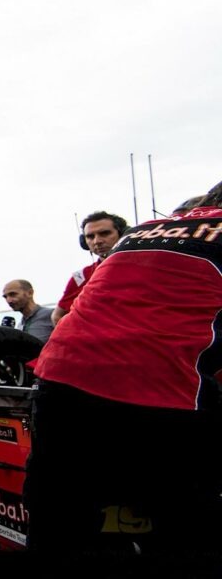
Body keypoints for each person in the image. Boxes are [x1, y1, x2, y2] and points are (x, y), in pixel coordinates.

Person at [25, 181, 222, 550]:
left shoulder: (142, 231)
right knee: (183, 522)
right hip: (160, 391)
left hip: (61, 378)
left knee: (58, 516)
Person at [51, 211, 127, 326]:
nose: (97, 241)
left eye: (105, 233)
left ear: (123, 235)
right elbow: (57, 316)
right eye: (90, 237)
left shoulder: (144, 267)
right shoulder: (81, 276)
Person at [1, 279, 54, 345]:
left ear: (30, 293)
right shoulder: (20, 325)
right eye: (5, 297)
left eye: (13, 294)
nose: (9, 300)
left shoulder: (52, 315)